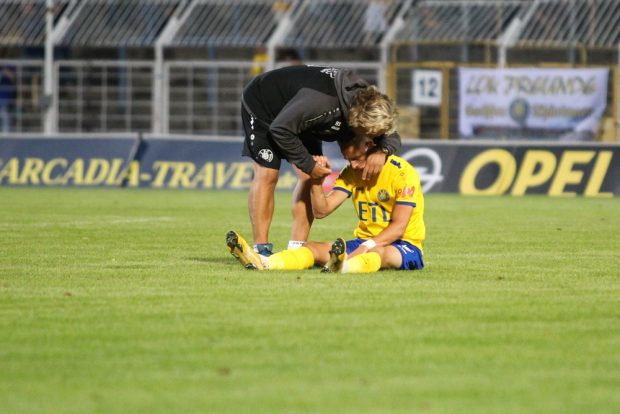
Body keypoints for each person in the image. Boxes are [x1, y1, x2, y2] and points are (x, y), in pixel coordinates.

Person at [241, 65, 401, 257]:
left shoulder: (368, 104)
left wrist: (382, 151)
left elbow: (391, 134)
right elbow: (280, 129)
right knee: (268, 173)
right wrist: (309, 165)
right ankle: (261, 250)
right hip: (265, 107)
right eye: (369, 139)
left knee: (308, 177)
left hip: (301, 117)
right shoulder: (322, 105)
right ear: (357, 125)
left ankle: (296, 250)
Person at [227, 133, 424, 273]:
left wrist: (368, 246)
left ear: (369, 145)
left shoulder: (403, 173)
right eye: (348, 159)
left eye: (355, 158)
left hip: (403, 245)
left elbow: (399, 228)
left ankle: (343, 267)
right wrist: (316, 180)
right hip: (365, 241)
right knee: (312, 247)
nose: (352, 165)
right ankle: (265, 262)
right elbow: (322, 211)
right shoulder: (352, 173)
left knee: (381, 254)